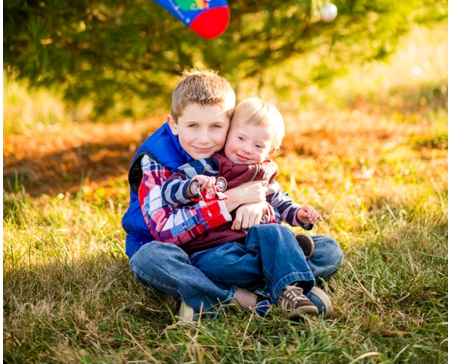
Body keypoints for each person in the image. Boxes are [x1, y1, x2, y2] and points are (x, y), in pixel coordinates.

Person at [122, 70, 343, 320]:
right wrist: (235, 199)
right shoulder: (156, 159)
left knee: (329, 249)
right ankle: (245, 295)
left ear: (230, 124)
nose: (204, 140)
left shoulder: (237, 153)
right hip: (180, 251)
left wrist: (259, 204)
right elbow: (165, 231)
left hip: (236, 244)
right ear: (173, 123)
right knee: (150, 259)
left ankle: (266, 281)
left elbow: (271, 195)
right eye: (192, 126)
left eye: (216, 127)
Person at [159, 98, 331, 317]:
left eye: (258, 146)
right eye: (241, 138)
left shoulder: (264, 174)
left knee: (319, 245)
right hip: (217, 249)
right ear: (229, 133)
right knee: (218, 265)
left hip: (253, 243)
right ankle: (286, 264)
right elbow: (168, 191)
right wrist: (191, 187)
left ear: (271, 150)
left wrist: (299, 215)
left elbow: (281, 203)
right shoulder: (208, 167)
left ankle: (290, 290)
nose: (246, 149)